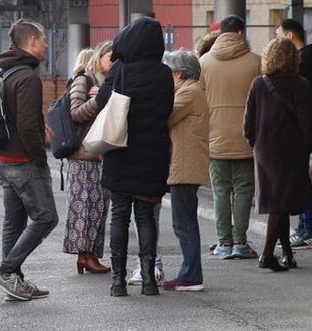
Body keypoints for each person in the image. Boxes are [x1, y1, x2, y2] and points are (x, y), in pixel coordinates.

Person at [97, 17, 176, 297]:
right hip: (153, 154)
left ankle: (118, 281)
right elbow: (167, 109)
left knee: (119, 216)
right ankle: (148, 281)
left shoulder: (120, 69)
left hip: (122, 151)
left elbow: (101, 102)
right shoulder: (165, 74)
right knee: (146, 217)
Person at [0, 19, 57, 302]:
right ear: (32, 41)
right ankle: (6, 271)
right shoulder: (28, 77)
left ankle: (12, 282)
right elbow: (28, 126)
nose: (46, 44)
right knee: (46, 217)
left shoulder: (4, 72)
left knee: (14, 222)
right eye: (43, 39)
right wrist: (41, 159)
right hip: (22, 161)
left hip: (3, 159)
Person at [244, 37, 312, 273]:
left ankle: (286, 253)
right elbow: (307, 123)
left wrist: (257, 144)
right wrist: (306, 148)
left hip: (265, 150)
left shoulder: (258, 84)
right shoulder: (302, 85)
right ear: (293, 59)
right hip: (291, 151)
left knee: (279, 203)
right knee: (281, 203)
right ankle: (267, 254)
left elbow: (248, 125)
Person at [199, 17, 262, 261]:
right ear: (241, 32)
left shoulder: (204, 62)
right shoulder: (256, 62)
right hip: (247, 136)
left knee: (221, 191)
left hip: (214, 136)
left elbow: (199, 101)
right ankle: (240, 242)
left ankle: (223, 242)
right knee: (244, 189)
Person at [161, 49, 210, 291]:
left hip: (185, 165)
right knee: (185, 220)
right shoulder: (191, 90)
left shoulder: (188, 92)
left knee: (183, 222)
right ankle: (191, 272)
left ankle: (191, 275)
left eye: (167, 72)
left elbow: (164, 116)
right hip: (187, 164)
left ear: (178, 74)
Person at [61, 47, 112, 275]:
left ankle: (90, 254)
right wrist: (99, 100)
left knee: (99, 206)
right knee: (84, 207)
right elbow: (75, 113)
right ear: (99, 57)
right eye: (110, 58)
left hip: (100, 153)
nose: (113, 62)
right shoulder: (83, 79)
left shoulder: (104, 82)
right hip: (82, 155)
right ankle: (84, 255)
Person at [280, 19, 312, 248]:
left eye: (279, 35)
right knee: (299, 177)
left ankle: (310, 228)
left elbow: (301, 102)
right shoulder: (306, 61)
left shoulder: (303, 64)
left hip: (301, 129)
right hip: (303, 127)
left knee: (300, 178)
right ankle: (304, 226)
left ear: (289, 36)